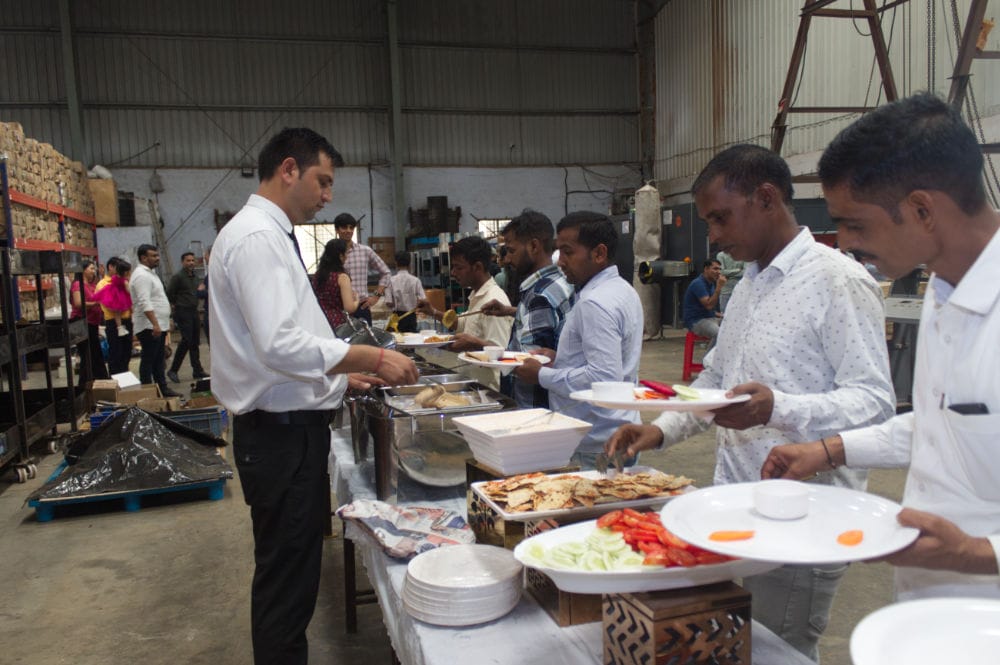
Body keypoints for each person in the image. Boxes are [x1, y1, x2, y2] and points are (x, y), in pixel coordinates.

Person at [605, 144, 895, 661]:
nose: (712, 235)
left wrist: (777, 407)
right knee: (739, 642)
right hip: (735, 505)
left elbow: (875, 403)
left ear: (766, 198)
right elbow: (717, 376)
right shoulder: (750, 285)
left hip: (803, 521)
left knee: (778, 649)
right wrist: (661, 430)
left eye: (720, 218)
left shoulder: (837, 282)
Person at [761, 93, 1000, 602]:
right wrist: (829, 449)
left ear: (921, 210)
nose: (844, 243)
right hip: (929, 608)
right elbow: (945, 423)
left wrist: (974, 553)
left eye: (855, 223)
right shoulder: (944, 287)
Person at [208, 127, 418, 665]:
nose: (327, 195)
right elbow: (279, 344)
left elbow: (276, 345)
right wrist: (368, 358)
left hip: (286, 429)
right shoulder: (256, 237)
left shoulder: (268, 235)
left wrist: (339, 378)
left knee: (292, 577)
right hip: (279, 440)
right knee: (285, 585)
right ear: (287, 169)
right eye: (321, 181)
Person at [515, 211, 643, 467]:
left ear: (599, 254)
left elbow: (603, 376)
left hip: (595, 440)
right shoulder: (623, 290)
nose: (559, 261)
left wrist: (541, 375)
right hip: (617, 426)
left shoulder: (595, 302)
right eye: (558, 251)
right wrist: (559, 360)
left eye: (568, 252)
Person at [480, 211, 575, 408]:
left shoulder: (538, 295)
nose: (506, 259)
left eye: (512, 251)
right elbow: (550, 322)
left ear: (534, 246)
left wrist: (480, 348)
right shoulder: (559, 282)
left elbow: (528, 367)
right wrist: (510, 311)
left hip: (533, 404)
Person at [416, 236, 512, 390]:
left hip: (487, 388)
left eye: (458, 267)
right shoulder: (477, 294)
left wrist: (474, 344)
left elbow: (500, 353)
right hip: (472, 380)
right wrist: (432, 312)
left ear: (477, 267)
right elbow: (461, 323)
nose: (453, 273)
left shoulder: (493, 300)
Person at [129, 244, 180, 398]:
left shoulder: (151, 274)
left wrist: (166, 321)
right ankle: (148, 391)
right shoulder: (141, 276)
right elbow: (145, 302)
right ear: (143, 258)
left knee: (159, 359)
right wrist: (156, 324)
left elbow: (158, 299)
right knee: (149, 359)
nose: (157, 258)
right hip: (149, 326)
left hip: (158, 325)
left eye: (157, 255)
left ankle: (162, 388)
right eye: (154, 256)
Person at [335, 212, 391, 325]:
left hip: (361, 307)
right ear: (337, 230)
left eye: (351, 227)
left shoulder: (365, 251)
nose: (348, 230)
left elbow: (386, 273)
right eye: (344, 227)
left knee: (365, 341)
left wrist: (376, 296)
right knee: (340, 342)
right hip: (339, 308)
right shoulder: (331, 252)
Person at [165, 251, 208, 383]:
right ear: (182, 262)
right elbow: (170, 293)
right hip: (182, 311)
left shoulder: (194, 277)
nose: (191, 263)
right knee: (186, 340)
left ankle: (197, 370)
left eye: (192, 260)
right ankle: (173, 370)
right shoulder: (178, 277)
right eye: (188, 261)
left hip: (193, 311)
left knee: (195, 341)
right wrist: (177, 305)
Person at [70, 259, 110, 384]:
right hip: (81, 323)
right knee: (88, 354)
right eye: (91, 268)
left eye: (94, 268)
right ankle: (86, 384)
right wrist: (95, 303)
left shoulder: (92, 285)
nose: (94, 271)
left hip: (92, 323)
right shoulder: (78, 284)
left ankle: (99, 382)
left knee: (95, 354)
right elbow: (77, 303)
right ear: (83, 269)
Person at [96, 257, 133, 375]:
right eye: (118, 268)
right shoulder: (103, 284)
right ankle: (115, 378)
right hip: (113, 321)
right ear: (110, 267)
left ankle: (125, 375)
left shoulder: (124, 280)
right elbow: (108, 304)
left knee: (127, 351)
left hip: (127, 320)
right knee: (116, 352)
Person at [310, 238, 359, 330]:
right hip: (337, 324)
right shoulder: (342, 277)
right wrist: (357, 300)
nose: (347, 256)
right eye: (346, 253)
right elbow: (349, 308)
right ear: (341, 256)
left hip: (318, 321)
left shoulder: (317, 275)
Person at [682, 258, 725, 345]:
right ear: (706, 269)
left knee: (734, 327)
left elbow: (709, 309)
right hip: (697, 321)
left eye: (720, 269)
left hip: (711, 318)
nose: (718, 272)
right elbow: (708, 305)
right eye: (715, 269)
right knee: (720, 335)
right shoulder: (698, 283)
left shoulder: (711, 284)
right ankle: (708, 358)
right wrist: (719, 288)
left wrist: (721, 315)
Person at [384, 251, 425, 333]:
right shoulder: (416, 280)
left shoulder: (391, 281)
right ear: (409, 264)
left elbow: (388, 302)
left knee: (398, 343)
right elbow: (423, 300)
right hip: (411, 317)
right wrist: (415, 306)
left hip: (396, 318)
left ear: (396, 263)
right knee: (411, 341)